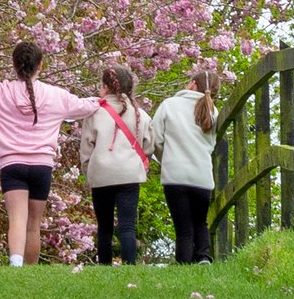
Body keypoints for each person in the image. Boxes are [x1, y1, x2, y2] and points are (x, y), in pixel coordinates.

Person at [0, 41, 101, 267]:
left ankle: (15, 265)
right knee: (34, 223)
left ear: (14, 65)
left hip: (12, 164)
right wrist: (103, 99)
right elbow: (85, 106)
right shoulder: (56, 95)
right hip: (42, 165)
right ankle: (31, 273)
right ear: (40, 65)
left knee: (17, 219)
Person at [80, 64, 154, 265]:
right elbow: (148, 146)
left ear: (105, 87)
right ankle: (130, 267)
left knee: (104, 226)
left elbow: (86, 148)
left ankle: (104, 267)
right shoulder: (141, 115)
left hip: (102, 174)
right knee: (127, 226)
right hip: (129, 174)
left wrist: (90, 170)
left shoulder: (94, 113)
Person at [151, 69, 221, 264]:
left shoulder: (169, 105)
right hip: (202, 177)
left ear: (192, 83)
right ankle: (204, 257)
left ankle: (184, 265)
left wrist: (167, 158)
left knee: (183, 228)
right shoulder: (212, 111)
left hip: (175, 176)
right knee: (201, 222)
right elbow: (212, 144)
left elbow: (155, 139)